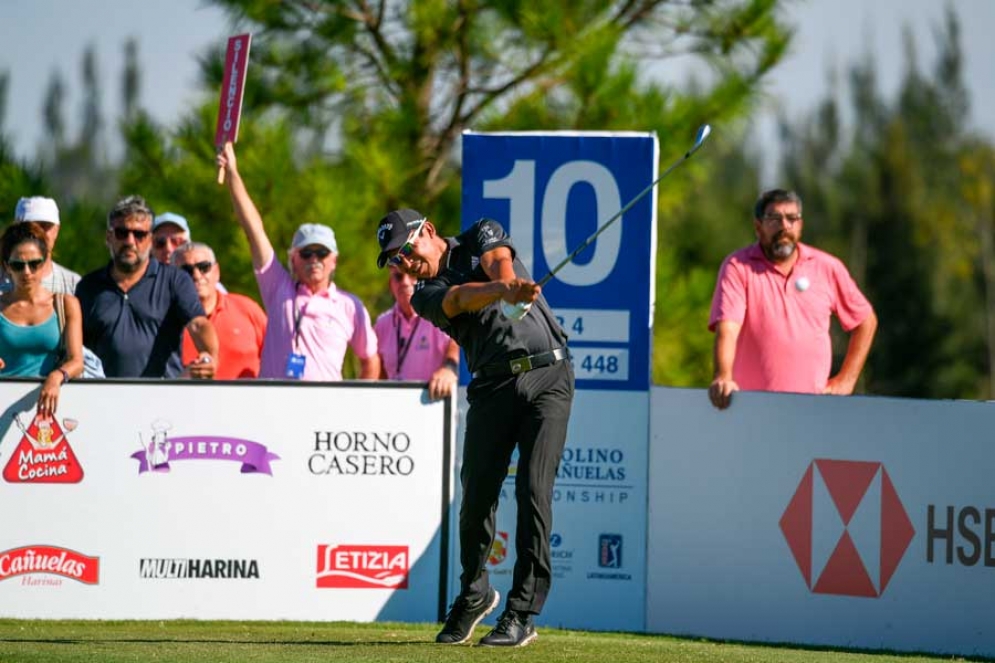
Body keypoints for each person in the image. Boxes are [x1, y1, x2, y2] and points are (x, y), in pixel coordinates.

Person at [374, 208, 574, 648]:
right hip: (493, 387)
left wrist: (508, 282)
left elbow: (497, 259)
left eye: (404, 251)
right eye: (394, 261)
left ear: (427, 230)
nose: (403, 264)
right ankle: (475, 591)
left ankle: (522, 612)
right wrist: (504, 291)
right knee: (477, 494)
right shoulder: (423, 294)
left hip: (549, 377)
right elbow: (461, 298)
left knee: (533, 490)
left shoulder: (480, 232)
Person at [216, 142, 379, 381]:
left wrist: (356, 407)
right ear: (293, 259)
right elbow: (254, 231)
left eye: (321, 253)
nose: (314, 260)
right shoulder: (278, 287)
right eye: (306, 253)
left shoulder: (348, 305)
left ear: (334, 260)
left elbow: (370, 359)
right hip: (274, 407)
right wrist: (233, 175)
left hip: (324, 412)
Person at [708, 188, 878, 409]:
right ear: (758, 227)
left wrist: (846, 381)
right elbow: (727, 329)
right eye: (774, 218)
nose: (784, 226)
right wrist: (723, 376)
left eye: (792, 218)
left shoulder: (827, 267)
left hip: (814, 411)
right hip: (751, 410)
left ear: (801, 225)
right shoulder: (738, 266)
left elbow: (866, 321)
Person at [75, 195, 219, 379]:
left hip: (162, 399)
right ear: (108, 237)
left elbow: (198, 324)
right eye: (121, 232)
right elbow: (75, 350)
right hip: (105, 400)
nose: (130, 241)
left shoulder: (175, 280)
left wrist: (210, 356)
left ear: (150, 240)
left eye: (139, 234)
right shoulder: (88, 287)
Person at [0, 222, 84, 415]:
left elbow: (76, 361)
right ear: (7, 267)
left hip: (49, 408)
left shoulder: (66, 304)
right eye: (18, 265)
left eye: (34, 263)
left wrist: (56, 377)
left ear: (46, 261)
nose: (27, 272)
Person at [171, 241, 267, 379]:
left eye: (204, 267)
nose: (197, 275)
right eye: (186, 270)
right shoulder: (161, 320)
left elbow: (276, 358)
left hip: (247, 400)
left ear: (216, 272)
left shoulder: (247, 309)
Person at [375, 266, 460, 399]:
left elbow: (455, 342)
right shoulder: (382, 323)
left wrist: (449, 368)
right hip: (393, 406)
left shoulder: (436, 314)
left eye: (412, 275)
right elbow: (378, 373)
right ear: (391, 284)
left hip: (430, 404)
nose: (405, 282)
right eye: (398, 277)